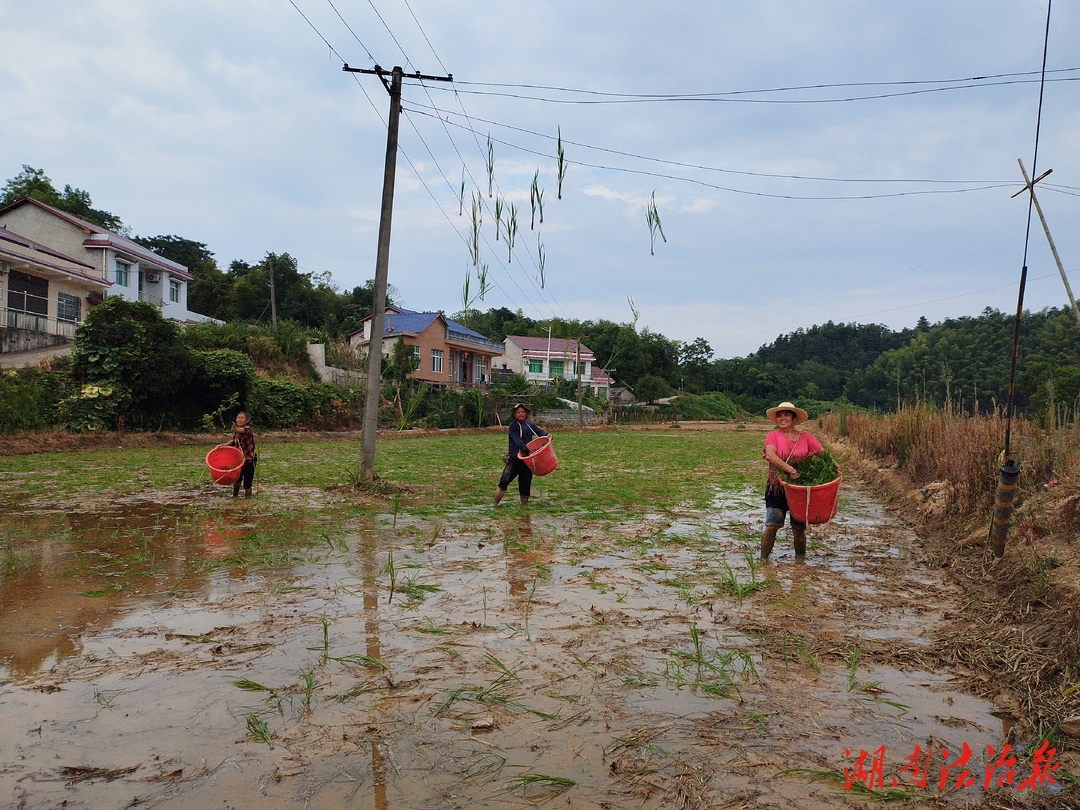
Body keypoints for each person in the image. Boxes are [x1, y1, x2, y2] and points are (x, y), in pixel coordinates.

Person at [761, 401, 823, 559]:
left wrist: (835, 467)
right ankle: (763, 561)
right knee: (772, 525)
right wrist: (790, 470)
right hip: (777, 488)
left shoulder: (805, 437)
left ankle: (800, 562)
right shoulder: (773, 436)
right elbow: (770, 455)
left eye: (786, 414)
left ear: (794, 418)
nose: (782, 418)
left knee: (798, 528)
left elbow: (821, 453)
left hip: (799, 489)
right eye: (779, 415)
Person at [494, 403, 549, 505]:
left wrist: (548, 435)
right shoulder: (513, 427)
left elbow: (541, 433)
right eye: (518, 412)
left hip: (527, 462)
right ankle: (495, 505)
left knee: (525, 487)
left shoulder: (530, 426)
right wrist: (528, 451)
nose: (521, 414)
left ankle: (524, 509)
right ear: (514, 415)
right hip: (514, 461)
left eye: (523, 412)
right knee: (503, 483)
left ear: (526, 414)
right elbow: (517, 441)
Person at [230, 411, 257, 498]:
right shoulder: (236, 432)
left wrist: (236, 429)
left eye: (242, 418)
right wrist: (222, 445)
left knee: (247, 484)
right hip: (240, 460)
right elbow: (234, 442)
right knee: (237, 480)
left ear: (247, 420)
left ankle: (247, 500)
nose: (240, 419)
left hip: (249, 460)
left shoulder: (248, 430)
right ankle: (235, 496)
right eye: (238, 418)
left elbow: (244, 431)